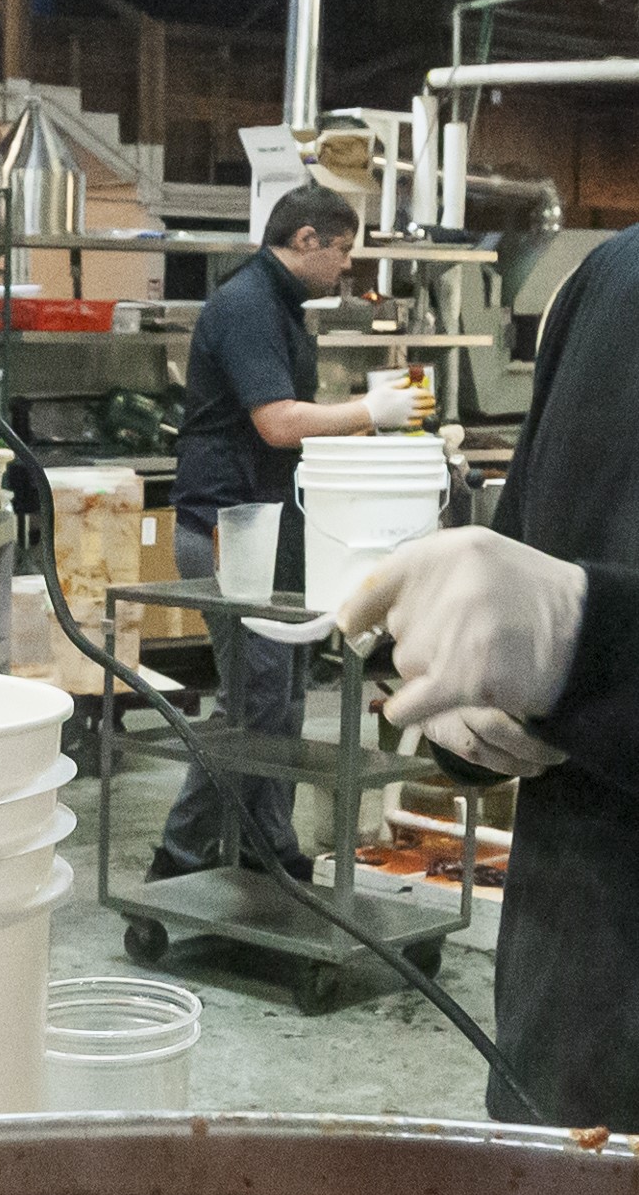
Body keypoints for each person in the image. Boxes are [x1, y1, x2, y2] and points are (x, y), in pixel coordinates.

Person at [337, 225, 639, 1128]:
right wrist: (466, 697)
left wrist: (589, 641)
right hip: (571, 1024)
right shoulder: (612, 281)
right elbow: (537, 557)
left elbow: (575, 631)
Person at [156, 183, 429, 880]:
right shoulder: (249, 305)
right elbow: (277, 422)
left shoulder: (277, 305)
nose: (346, 268)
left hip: (266, 528)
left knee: (276, 703)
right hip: (228, 526)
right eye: (341, 250)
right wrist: (371, 410)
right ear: (306, 238)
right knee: (256, 705)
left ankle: (262, 846)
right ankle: (184, 852)